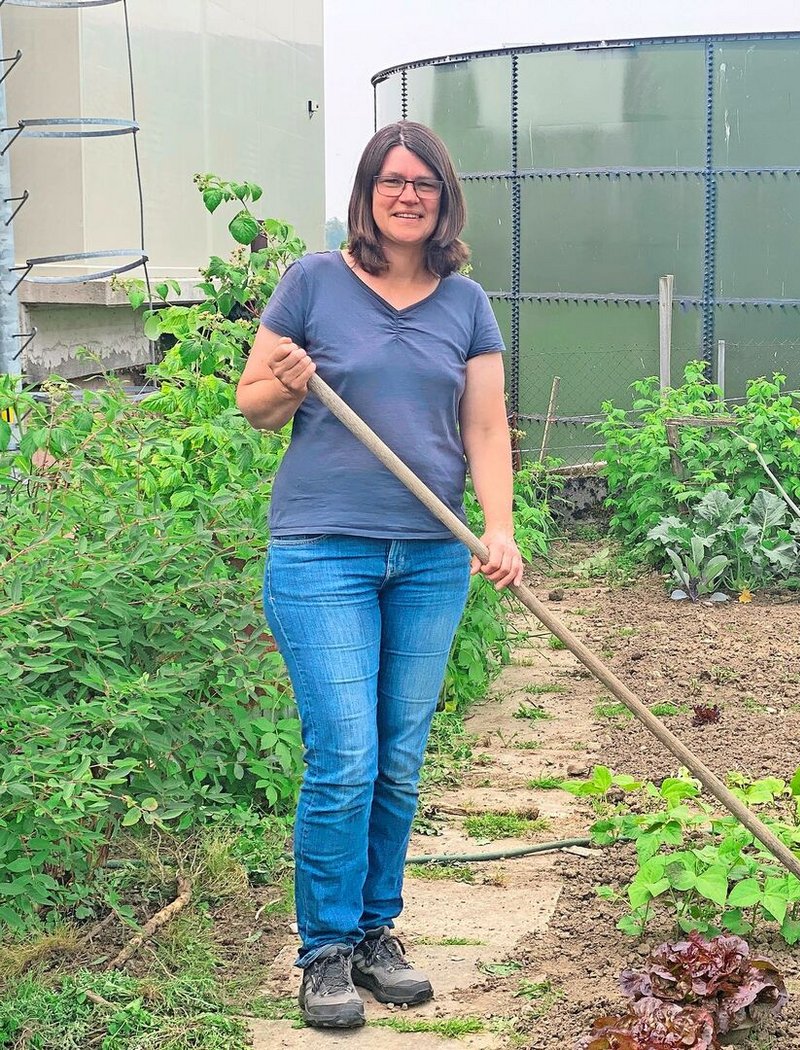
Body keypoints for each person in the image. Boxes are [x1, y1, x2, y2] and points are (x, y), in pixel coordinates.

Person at [236, 120, 523, 1030]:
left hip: (432, 557)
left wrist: (499, 527)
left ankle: (373, 932)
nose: (408, 195)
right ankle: (322, 951)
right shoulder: (313, 282)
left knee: (398, 760)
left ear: (444, 200)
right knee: (346, 755)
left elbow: (483, 427)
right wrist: (286, 379)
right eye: (392, 181)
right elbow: (256, 409)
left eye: (424, 184)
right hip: (325, 552)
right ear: (367, 192)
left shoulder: (466, 302)